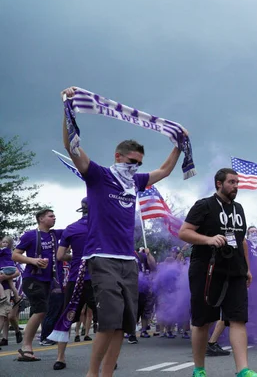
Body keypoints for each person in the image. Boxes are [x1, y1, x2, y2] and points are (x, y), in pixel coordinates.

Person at [61, 86, 184, 377]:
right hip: (101, 257)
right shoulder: (99, 176)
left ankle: (107, 373)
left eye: (139, 164)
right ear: (118, 157)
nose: (136, 167)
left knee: (124, 323)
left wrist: (179, 144)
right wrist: (65, 108)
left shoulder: (137, 181)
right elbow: (72, 148)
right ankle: (92, 373)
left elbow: (164, 171)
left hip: (128, 260)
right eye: (131, 162)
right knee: (109, 320)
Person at [178, 168, 257, 377]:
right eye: (231, 182)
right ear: (219, 183)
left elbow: (241, 240)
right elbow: (184, 232)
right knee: (203, 320)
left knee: (238, 318)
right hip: (206, 270)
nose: (236, 186)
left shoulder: (239, 208)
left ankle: (243, 370)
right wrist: (209, 239)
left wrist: (247, 269)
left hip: (234, 271)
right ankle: (199, 370)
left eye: (237, 182)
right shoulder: (204, 205)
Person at [12, 209, 63, 361]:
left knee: (39, 311)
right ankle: (25, 346)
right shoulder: (30, 235)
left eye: (54, 215)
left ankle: (28, 347)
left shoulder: (55, 234)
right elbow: (15, 255)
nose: (54, 218)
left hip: (48, 280)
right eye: (51, 216)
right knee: (41, 310)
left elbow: (73, 231)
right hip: (32, 278)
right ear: (41, 219)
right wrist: (33, 260)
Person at [53, 198, 97, 370]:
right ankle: (108, 358)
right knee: (105, 320)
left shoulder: (71, 228)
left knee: (67, 317)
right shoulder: (102, 227)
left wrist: (76, 257)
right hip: (98, 278)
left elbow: (60, 256)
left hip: (75, 277)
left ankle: (60, 358)